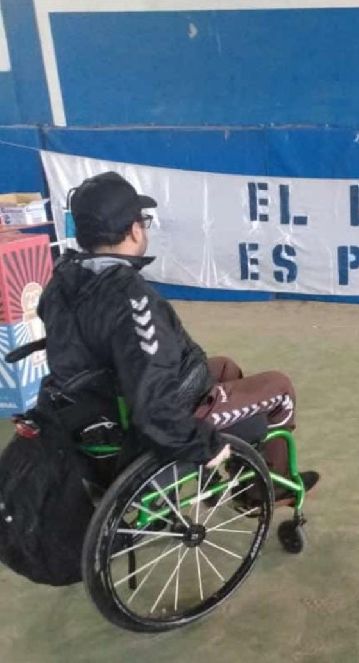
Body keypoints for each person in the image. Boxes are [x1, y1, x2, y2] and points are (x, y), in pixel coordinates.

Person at [38, 171, 308, 486]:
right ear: (134, 231)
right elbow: (152, 404)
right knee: (280, 388)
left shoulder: (63, 281)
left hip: (95, 406)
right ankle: (270, 487)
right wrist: (201, 443)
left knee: (225, 368)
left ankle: (231, 476)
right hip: (148, 417)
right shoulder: (131, 299)